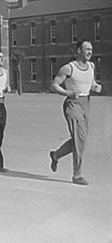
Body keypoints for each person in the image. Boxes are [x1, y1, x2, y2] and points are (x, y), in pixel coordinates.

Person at [49, 40, 102, 186]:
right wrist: (68, 92)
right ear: (79, 50)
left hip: (86, 103)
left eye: (91, 49)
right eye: (87, 49)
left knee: (81, 141)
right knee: (79, 138)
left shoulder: (91, 66)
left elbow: (90, 83)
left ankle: (56, 155)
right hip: (72, 104)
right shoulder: (69, 68)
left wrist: (95, 86)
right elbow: (54, 85)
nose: (90, 52)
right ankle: (77, 175)